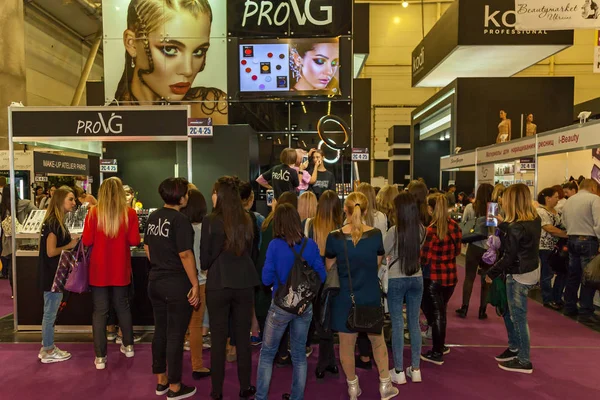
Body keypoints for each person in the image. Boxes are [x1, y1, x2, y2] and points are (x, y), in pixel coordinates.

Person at [325, 192, 399, 400]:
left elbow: (330, 268)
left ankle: (352, 387)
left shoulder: (334, 237)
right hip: (369, 296)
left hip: (344, 299)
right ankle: (385, 385)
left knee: (346, 346)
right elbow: (376, 265)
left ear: (345, 210)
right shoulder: (376, 235)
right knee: (378, 342)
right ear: (366, 211)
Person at [113, 0, 227, 124]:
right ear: (132, 44)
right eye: (170, 49)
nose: (187, 70)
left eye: (198, 51)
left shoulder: (210, 108)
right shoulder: (108, 122)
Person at [256, 204, 327, 400]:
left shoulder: (274, 245)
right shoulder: (310, 245)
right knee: (298, 355)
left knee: (267, 354)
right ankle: (297, 397)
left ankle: (260, 397)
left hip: (280, 306)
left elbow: (266, 279)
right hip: (304, 307)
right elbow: (322, 274)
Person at [201, 176, 260, 400]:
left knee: (218, 339)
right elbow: (253, 253)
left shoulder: (210, 220)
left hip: (218, 283)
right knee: (243, 339)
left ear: (221, 195)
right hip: (244, 282)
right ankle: (245, 387)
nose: (212, 195)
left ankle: (217, 392)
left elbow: (204, 260)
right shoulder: (247, 219)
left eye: (214, 192)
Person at [144, 178, 200, 399]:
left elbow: (148, 248)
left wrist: (160, 263)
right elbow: (185, 254)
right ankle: (176, 386)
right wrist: (195, 283)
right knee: (175, 335)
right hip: (176, 283)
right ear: (182, 197)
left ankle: (161, 380)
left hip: (155, 281)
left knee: (161, 331)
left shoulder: (153, 217)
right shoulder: (180, 220)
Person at [82, 177, 141, 370]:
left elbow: (87, 240)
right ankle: (129, 345)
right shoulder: (129, 213)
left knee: (100, 311)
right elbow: (134, 241)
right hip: (120, 268)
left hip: (99, 270)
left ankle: (100, 357)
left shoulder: (94, 213)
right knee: (123, 307)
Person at [486, 183, 541, 374]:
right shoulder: (535, 219)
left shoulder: (518, 227)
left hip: (517, 275)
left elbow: (509, 256)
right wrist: (503, 224)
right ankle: (515, 348)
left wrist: (490, 273)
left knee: (517, 317)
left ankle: (524, 359)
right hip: (529, 271)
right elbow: (518, 233)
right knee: (511, 314)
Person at [385, 192, 426, 385]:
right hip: (417, 278)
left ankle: (399, 371)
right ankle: (416, 369)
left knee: (397, 325)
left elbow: (384, 251)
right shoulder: (421, 229)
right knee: (414, 323)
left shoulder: (394, 231)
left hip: (396, 279)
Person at [255, 192, 299, 368]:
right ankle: (280, 353)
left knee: (268, 314)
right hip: (279, 277)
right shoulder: (283, 226)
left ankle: (272, 351)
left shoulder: (266, 222)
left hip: (264, 272)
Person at [303, 190, 342, 379]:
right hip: (334, 279)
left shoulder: (310, 224)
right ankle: (328, 361)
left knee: (321, 321)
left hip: (315, 279)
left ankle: (326, 361)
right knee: (328, 321)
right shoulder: (340, 227)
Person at [420, 193, 462, 366]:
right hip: (451, 276)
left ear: (430, 209)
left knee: (437, 314)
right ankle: (439, 345)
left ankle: (438, 351)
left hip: (434, 278)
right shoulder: (455, 227)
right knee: (440, 312)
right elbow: (458, 251)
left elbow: (424, 257)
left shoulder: (431, 230)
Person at [37, 186, 78, 363]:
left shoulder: (56, 221)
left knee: (50, 312)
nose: (74, 202)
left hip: (54, 274)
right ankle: (48, 349)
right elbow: (51, 251)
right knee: (50, 313)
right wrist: (70, 244)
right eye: (71, 199)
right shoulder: (54, 222)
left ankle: (47, 346)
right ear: (61, 200)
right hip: (53, 275)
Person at [181, 188, 211, 380]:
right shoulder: (204, 229)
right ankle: (197, 365)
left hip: (180, 281)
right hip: (200, 282)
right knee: (196, 324)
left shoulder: (180, 227)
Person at [561, 179, 600, 323]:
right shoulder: (594, 199)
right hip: (588, 241)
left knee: (573, 276)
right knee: (589, 277)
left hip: (571, 240)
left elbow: (564, 221)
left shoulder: (569, 201)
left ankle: (569, 307)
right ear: (593, 187)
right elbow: (599, 222)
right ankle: (586, 311)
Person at [456, 183, 494, 319]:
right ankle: (482, 310)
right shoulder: (493, 208)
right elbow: (493, 230)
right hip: (489, 248)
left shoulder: (470, 207)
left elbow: (464, 224)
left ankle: (464, 307)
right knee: (486, 279)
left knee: (469, 278)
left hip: (474, 246)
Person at [1, 185, 37, 297]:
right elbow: (37, 213)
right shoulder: (26, 204)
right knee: (24, 265)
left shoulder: (3, 207)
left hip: (8, 240)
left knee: (12, 266)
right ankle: (25, 289)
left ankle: (14, 291)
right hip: (24, 239)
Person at [536, 187, 568, 311]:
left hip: (556, 247)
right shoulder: (541, 212)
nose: (557, 199)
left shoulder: (556, 211)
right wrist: (565, 234)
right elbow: (548, 228)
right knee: (547, 273)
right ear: (548, 198)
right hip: (545, 246)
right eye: (555, 197)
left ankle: (557, 297)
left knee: (560, 272)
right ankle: (547, 299)